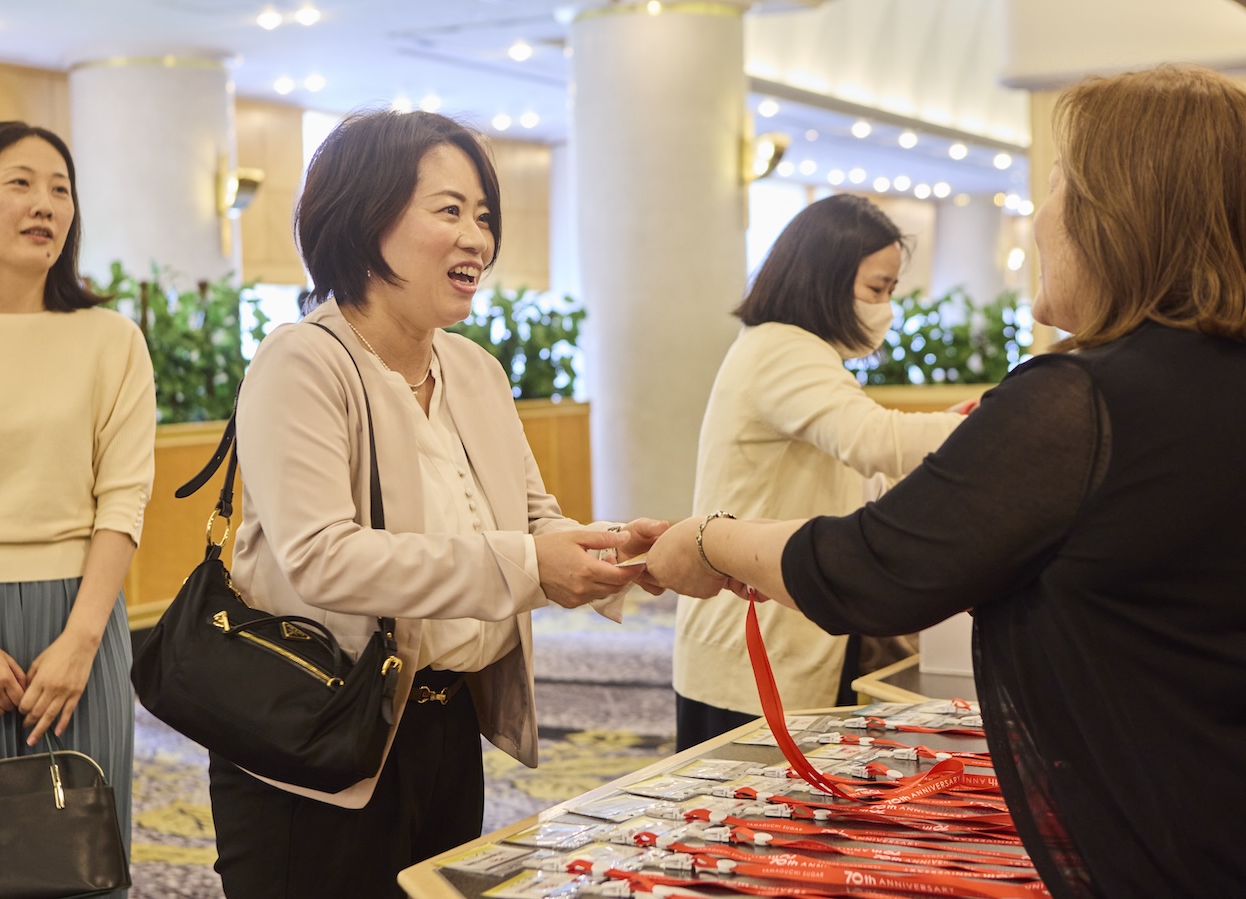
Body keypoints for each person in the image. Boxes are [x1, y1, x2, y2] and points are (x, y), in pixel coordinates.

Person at [646, 64, 1246, 897]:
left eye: (1059, 184)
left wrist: (710, 539)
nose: (1039, 215)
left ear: (1123, 216)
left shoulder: (1082, 399)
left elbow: (871, 567)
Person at [206, 109, 666, 899]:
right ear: (365, 218)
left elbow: (530, 517)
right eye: (450, 210)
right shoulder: (303, 362)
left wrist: (613, 550)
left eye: (483, 216)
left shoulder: (476, 371)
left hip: (445, 722)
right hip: (317, 725)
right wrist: (532, 563)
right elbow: (324, 558)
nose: (477, 239)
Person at [0, 122, 155, 898]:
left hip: (79, 626)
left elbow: (122, 501)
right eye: (20, 183)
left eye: (60, 189)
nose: (45, 203)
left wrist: (81, 643)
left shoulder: (112, 339)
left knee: (79, 856)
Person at [674, 194, 965, 750]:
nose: (885, 308)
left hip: (785, 635)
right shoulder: (783, 348)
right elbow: (873, 440)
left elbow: (861, 479)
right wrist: (993, 428)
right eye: (876, 289)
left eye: (891, 291)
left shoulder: (802, 353)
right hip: (752, 649)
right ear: (825, 278)